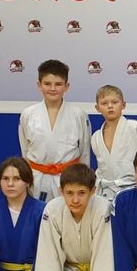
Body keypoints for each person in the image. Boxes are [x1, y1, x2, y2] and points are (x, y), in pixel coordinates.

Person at [32, 164, 116, 271]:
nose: (75, 200)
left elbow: (104, 255)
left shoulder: (103, 208)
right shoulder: (52, 209)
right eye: (69, 193)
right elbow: (49, 255)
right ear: (61, 191)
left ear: (93, 191)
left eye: (81, 193)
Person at [19, 59, 91, 201]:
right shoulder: (28, 114)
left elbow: (84, 153)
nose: (52, 89)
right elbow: (25, 151)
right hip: (36, 179)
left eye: (58, 84)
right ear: (39, 85)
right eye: (47, 84)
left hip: (69, 180)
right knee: (39, 214)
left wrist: (82, 182)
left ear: (66, 86)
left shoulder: (79, 115)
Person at [92, 85, 137, 202]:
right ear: (97, 108)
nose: (110, 106)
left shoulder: (133, 127)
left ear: (123, 105)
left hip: (132, 188)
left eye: (114, 102)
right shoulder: (95, 137)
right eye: (104, 103)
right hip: (104, 192)